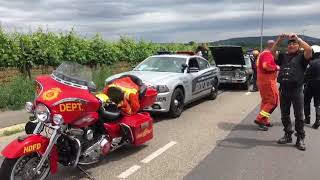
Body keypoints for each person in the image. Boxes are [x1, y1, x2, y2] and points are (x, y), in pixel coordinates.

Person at [273, 33, 312, 151]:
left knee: (299, 115)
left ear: (298, 46)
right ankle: (288, 134)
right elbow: (272, 52)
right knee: (284, 114)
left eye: (294, 44)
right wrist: (279, 40)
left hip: (297, 90)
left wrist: (298, 38)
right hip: (284, 89)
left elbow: (309, 49)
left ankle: (300, 138)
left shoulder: (302, 56)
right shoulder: (283, 56)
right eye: (289, 44)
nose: (291, 46)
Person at [254, 40, 280, 131]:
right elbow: (266, 66)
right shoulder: (268, 54)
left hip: (262, 81)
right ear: (272, 46)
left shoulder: (262, 54)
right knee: (273, 101)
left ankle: (264, 120)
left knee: (266, 102)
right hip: (268, 81)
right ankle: (260, 118)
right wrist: (277, 67)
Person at [304, 46, 320, 129]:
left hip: (311, 84)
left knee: (306, 100)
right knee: (317, 103)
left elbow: (306, 75)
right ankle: (318, 119)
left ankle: (307, 118)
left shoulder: (311, 63)